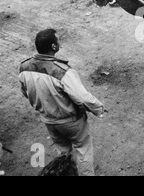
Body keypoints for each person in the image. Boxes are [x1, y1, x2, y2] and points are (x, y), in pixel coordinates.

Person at [19, 28, 104, 176]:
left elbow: (25, 92)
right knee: (83, 150)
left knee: (63, 153)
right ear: (53, 46)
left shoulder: (24, 67)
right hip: (71, 121)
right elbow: (82, 98)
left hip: (48, 120)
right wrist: (98, 108)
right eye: (57, 40)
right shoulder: (63, 71)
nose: (59, 43)